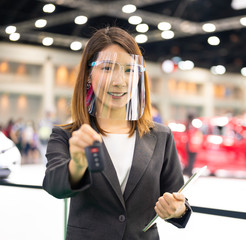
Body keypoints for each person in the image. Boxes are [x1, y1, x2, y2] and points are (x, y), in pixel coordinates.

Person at [42, 27, 191, 240]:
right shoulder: (68, 136)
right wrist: (77, 164)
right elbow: (54, 186)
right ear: (88, 75)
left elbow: (176, 196)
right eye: (107, 68)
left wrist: (178, 210)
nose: (119, 81)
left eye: (130, 70)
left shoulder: (161, 136)